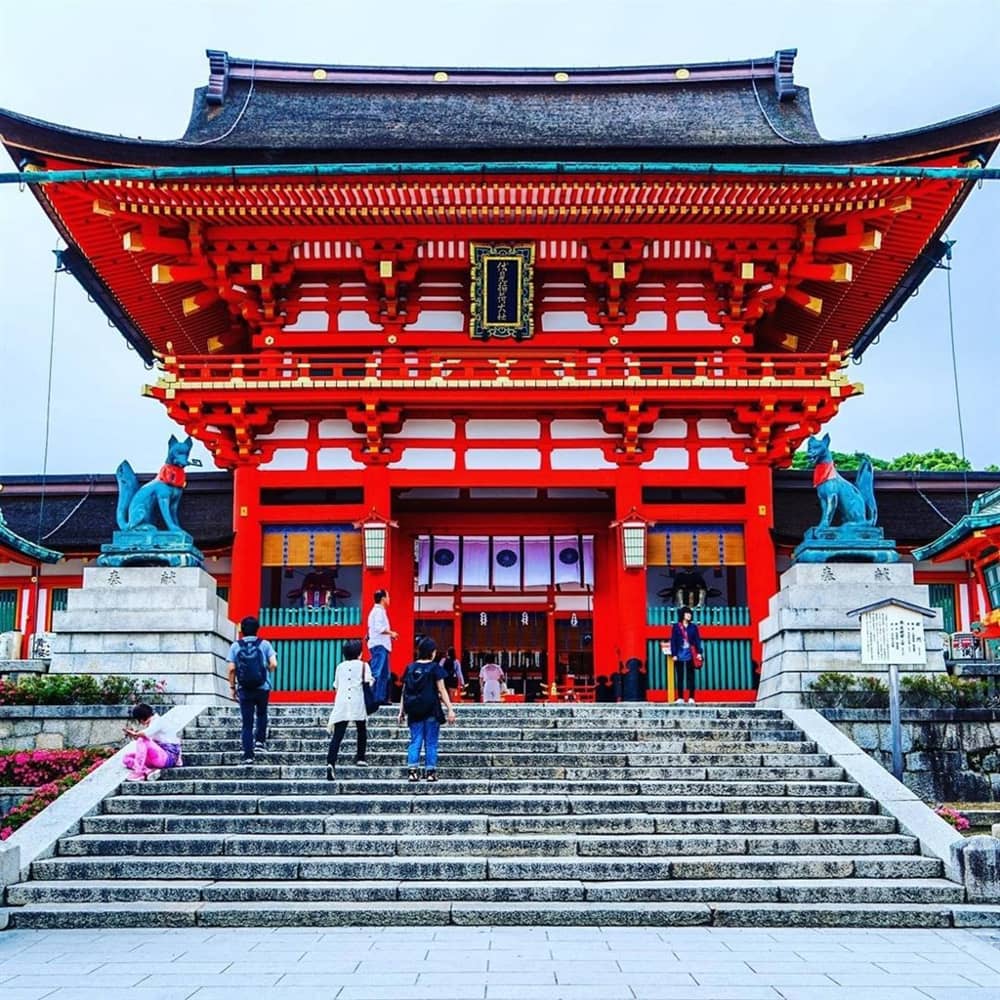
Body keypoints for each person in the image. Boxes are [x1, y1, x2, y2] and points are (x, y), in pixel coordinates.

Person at [398, 636, 456, 782]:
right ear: (432, 652)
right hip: (431, 709)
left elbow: (404, 691)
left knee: (415, 740)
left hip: (414, 711)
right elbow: (442, 690)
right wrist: (450, 709)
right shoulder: (435, 668)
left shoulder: (410, 668)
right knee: (431, 742)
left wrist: (401, 711)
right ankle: (430, 772)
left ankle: (412, 771)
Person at [227, 614, 278, 765]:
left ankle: (248, 755)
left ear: (242, 629)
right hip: (262, 687)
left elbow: (231, 669)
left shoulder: (235, 646)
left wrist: (232, 687)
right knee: (262, 714)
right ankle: (260, 743)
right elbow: (274, 664)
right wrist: (266, 670)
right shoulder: (265, 644)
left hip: (244, 688)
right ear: (257, 629)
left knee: (247, 723)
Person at [325, 638, 372, 781]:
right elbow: (368, 683)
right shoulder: (364, 665)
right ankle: (360, 757)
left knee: (338, 735)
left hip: (342, 702)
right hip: (358, 701)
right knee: (361, 729)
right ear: (359, 653)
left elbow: (336, 685)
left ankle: (331, 762)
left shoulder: (340, 666)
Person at [122, 703, 182, 782]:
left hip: (167, 758)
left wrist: (135, 734)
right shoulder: (152, 724)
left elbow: (144, 735)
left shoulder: (158, 721)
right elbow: (147, 743)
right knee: (126, 758)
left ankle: (138, 772)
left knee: (141, 739)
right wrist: (135, 735)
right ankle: (148, 771)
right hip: (158, 757)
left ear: (141, 719)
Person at [367, 590, 397, 706]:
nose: (389, 599)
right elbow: (379, 628)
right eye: (388, 597)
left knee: (384, 674)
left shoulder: (377, 611)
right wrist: (391, 633)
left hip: (381, 645)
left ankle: (380, 697)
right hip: (379, 645)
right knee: (377, 672)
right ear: (383, 598)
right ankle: (372, 697)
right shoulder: (378, 612)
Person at [670, 605, 703, 705]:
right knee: (680, 676)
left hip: (690, 653)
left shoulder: (693, 627)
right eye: (687, 613)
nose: (689, 615)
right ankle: (680, 697)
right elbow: (673, 641)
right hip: (679, 653)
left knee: (690, 676)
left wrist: (699, 652)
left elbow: (697, 640)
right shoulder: (676, 627)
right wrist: (674, 654)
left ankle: (691, 697)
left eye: (690, 614)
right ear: (682, 615)